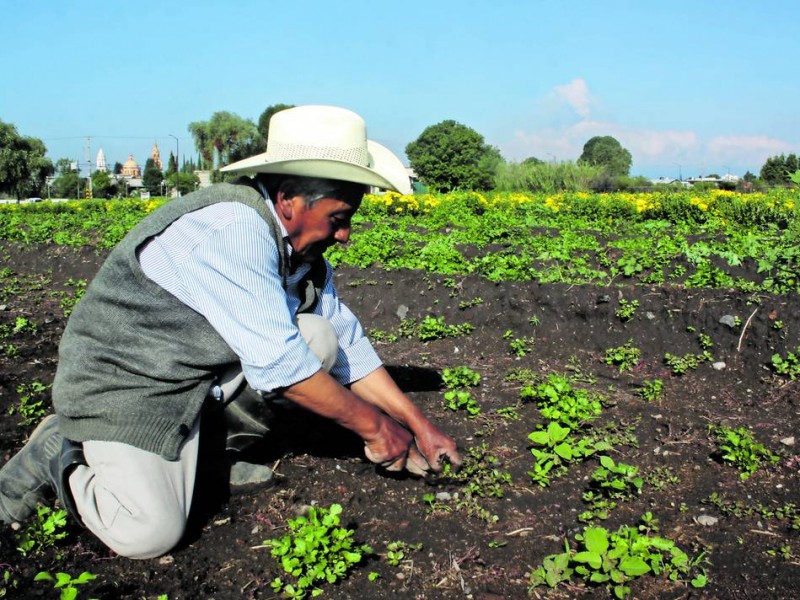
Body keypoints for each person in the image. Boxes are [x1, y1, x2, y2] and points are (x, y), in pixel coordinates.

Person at [0, 105, 461, 559]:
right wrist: (377, 428)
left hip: (191, 377)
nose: (345, 235)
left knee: (319, 338)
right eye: (339, 219)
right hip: (128, 386)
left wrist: (418, 424)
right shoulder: (233, 228)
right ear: (288, 199)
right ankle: (61, 449)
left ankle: (207, 461)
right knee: (148, 532)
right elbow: (282, 370)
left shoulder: (300, 253)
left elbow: (349, 347)